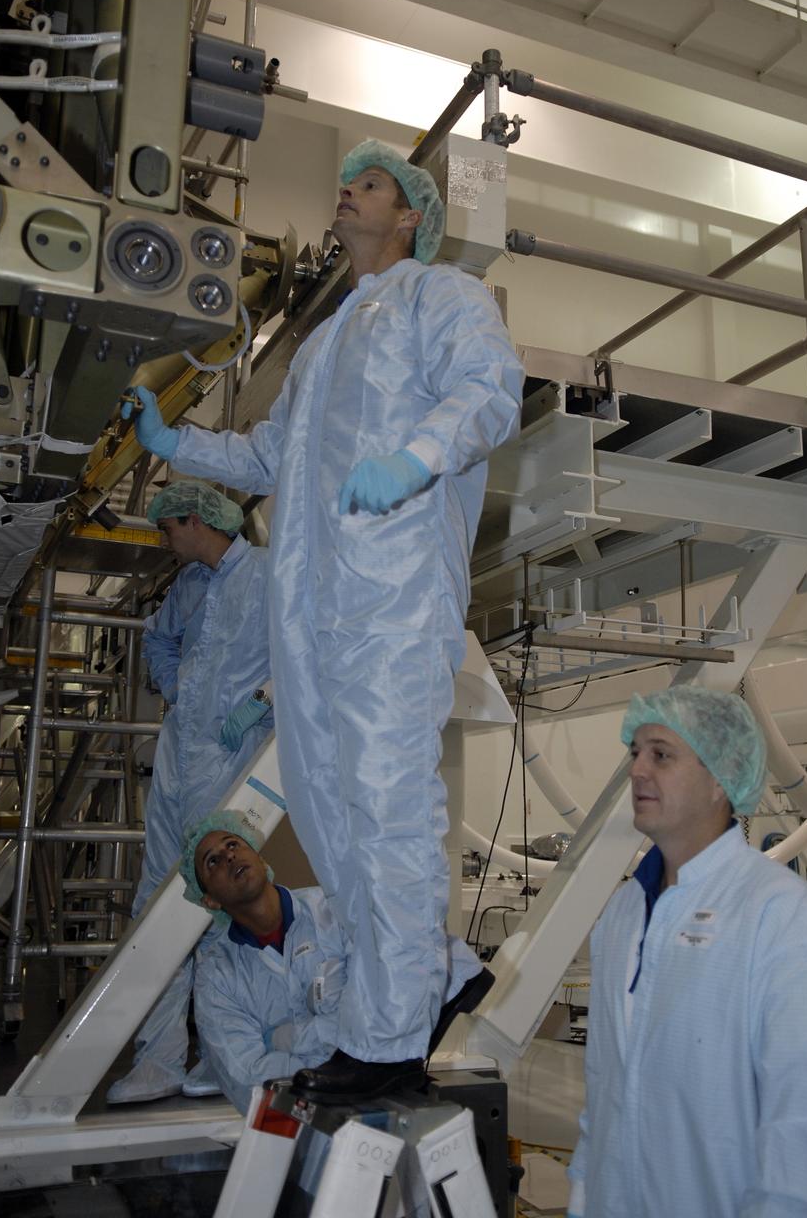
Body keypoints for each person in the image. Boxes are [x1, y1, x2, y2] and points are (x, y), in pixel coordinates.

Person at [120, 139, 521, 1100]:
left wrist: (418, 459)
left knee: (385, 806)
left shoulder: (443, 297)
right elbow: (269, 459)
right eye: (343, 181)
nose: (346, 192)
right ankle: (418, 983)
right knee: (332, 813)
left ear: (413, 213)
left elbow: (488, 390)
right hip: (313, 615)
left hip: (389, 596)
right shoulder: (328, 335)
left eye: (370, 183)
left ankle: (388, 1032)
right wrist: (182, 446)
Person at [567, 685, 807, 1218]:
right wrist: (582, 1195)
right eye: (635, 752)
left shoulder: (780, 916)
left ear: (720, 779)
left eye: (661, 754)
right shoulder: (623, 912)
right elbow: (604, 1090)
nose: (637, 770)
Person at [106, 481, 275, 1104]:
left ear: (195, 521)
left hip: (233, 752)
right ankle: (159, 1058)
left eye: (166, 529)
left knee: (217, 901)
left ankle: (227, 1052)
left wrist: (262, 703)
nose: (163, 541)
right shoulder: (189, 587)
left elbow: (309, 649)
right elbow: (158, 638)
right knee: (155, 896)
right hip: (182, 750)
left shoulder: (269, 573)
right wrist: (175, 690)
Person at [180, 810, 493, 1114]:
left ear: (261, 858)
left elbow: (391, 1001)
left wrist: (285, 1040)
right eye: (213, 861)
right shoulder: (217, 975)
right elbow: (246, 1081)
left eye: (233, 844)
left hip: (386, 1094)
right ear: (209, 900)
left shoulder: (337, 910)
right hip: (298, 1122)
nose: (229, 856)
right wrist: (339, 1056)